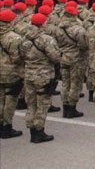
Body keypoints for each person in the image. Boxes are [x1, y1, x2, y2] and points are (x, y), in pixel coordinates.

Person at [21, 13, 61, 143]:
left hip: (29, 74)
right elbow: (55, 58)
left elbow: (20, 56)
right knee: (42, 104)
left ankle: (32, 129)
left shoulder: (24, 39)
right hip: (43, 75)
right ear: (43, 24)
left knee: (31, 103)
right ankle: (39, 131)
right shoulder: (47, 39)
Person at [56, 5, 88, 118]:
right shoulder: (78, 29)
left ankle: (65, 107)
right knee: (75, 83)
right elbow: (84, 45)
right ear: (74, 15)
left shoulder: (59, 27)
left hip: (64, 56)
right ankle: (72, 108)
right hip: (76, 58)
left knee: (65, 83)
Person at [0, 10, 24, 139]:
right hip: (11, 73)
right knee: (10, 100)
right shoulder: (14, 37)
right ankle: (6, 127)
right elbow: (17, 58)